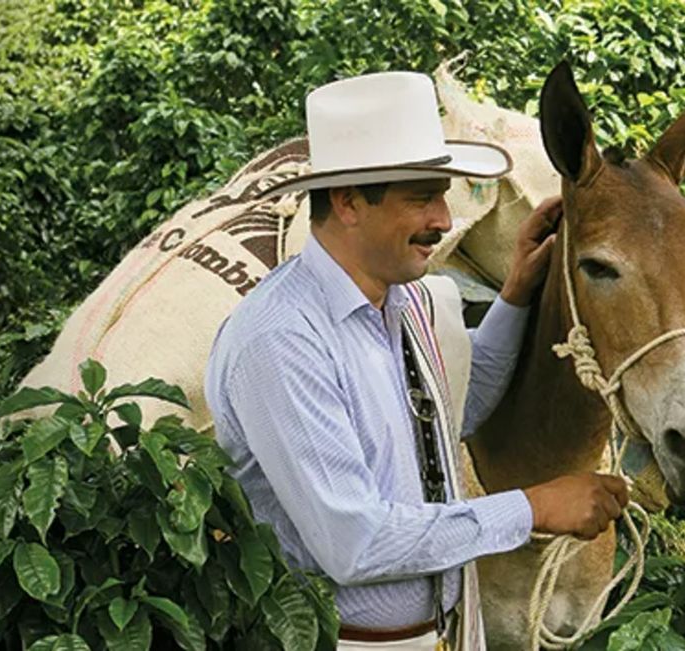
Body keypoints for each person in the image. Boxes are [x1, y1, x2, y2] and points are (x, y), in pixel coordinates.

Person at [203, 71, 627, 650]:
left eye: (442, 196)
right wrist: (533, 508)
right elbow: (353, 543)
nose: (445, 221)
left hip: (443, 634)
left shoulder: (405, 303)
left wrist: (516, 295)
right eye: (422, 197)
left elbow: (459, 407)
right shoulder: (281, 339)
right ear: (350, 202)